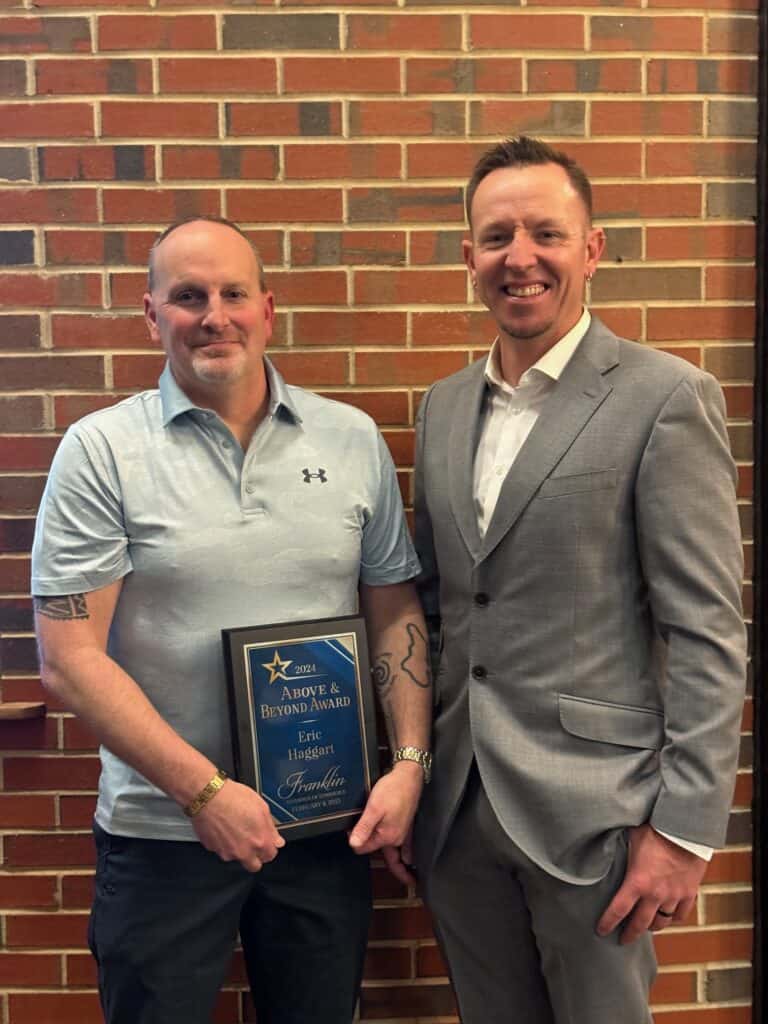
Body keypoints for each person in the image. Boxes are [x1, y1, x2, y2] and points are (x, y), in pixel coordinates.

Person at [31, 216, 432, 1024]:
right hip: (162, 834)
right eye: (189, 297)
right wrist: (205, 793)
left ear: (267, 310)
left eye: (233, 294)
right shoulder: (101, 451)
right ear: (152, 315)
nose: (215, 316)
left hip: (325, 824)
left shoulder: (350, 439)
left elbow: (393, 610)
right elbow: (69, 659)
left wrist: (411, 763)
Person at [412, 137, 746, 1024]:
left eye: (546, 233)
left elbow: (707, 631)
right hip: (458, 816)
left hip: (600, 822)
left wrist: (684, 830)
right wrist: (410, 778)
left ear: (591, 249)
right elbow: (439, 611)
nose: (519, 257)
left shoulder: (665, 397)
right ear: (470, 256)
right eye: (496, 237)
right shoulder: (442, 408)